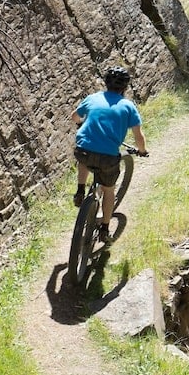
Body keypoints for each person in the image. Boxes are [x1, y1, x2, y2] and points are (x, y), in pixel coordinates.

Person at [72, 66, 147, 243]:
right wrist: (142, 151)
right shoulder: (128, 106)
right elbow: (138, 136)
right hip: (107, 157)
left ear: (105, 83)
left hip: (83, 150)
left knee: (84, 156)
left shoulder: (93, 98)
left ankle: (80, 190)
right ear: (125, 87)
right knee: (108, 190)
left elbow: (74, 116)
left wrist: (81, 124)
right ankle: (105, 229)